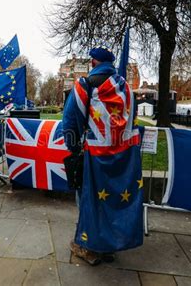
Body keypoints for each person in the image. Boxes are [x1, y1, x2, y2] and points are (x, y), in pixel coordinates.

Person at [62, 45, 143, 266]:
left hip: (95, 155)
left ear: (93, 63)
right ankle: (109, 243)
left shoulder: (85, 85)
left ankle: (88, 247)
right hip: (125, 155)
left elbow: (69, 121)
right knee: (115, 199)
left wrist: (72, 148)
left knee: (89, 200)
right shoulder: (125, 87)